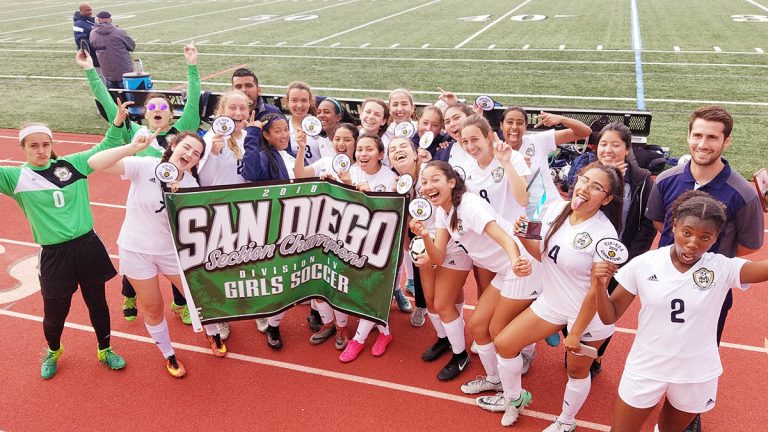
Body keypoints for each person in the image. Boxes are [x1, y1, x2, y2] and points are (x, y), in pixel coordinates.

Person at [595, 190, 768, 432]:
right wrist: (599, 286)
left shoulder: (721, 268)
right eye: (686, 232)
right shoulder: (645, 263)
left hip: (695, 372)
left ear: (716, 237)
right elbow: (609, 316)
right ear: (674, 225)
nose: (693, 243)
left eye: (705, 237)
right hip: (646, 366)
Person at [645, 105, 764, 431]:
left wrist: (711, 263)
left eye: (712, 137)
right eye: (697, 135)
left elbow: (749, 246)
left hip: (708, 294)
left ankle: (688, 412)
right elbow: (660, 223)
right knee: (657, 345)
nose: (703, 144)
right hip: (663, 284)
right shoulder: (667, 180)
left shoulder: (742, 193)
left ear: (726, 141)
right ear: (688, 136)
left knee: (696, 357)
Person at [492, 163, 624, 429]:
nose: (585, 188)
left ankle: (566, 421)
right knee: (504, 344)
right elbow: (541, 253)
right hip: (552, 303)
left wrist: (575, 333)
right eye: (584, 180)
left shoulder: (605, 235)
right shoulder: (556, 209)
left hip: (587, 314)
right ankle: (514, 399)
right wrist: (522, 233)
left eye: (596, 187)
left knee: (576, 371)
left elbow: (594, 291)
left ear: (607, 199)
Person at [87, 130, 227, 378]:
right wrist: (132, 148)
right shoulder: (145, 166)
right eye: (186, 147)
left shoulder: (190, 185)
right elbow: (95, 162)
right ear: (173, 146)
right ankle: (168, 354)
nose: (190, 154)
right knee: (153, 307)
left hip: (172, 252)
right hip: (136, 251)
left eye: (196, 153)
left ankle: (213, 333)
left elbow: (192, 228)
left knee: (200, 296)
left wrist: (176, 200)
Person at [77, 45, 201, 324]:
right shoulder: (136, 133)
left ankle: (181, 304)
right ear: (145, 113)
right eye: (152, 107)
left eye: (163, 108)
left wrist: (192, 67)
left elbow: (193, 101)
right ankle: (129, 294)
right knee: (139, 256)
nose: (157, 110)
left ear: (172, 115)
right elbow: (111, 108)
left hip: (173, 207)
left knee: (177, 255)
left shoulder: (181, 136)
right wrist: (90, 72)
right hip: (145, 207)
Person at [0, 114, 130, 379]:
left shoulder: (73, 164)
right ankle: (53, 350)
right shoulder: (15, 177)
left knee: (98, 303)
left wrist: (117, 124)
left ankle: (105, 349)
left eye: (45, 144)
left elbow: (104, 148)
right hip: (54, 255)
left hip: (88, 247)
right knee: (55, 312)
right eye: (33, 146)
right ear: (22, 148)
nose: (40, 150)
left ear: (51, 144)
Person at [410, 160, 533, 384]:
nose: (428, 186)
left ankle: (512, 385)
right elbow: (438, 258)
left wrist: (516, 261)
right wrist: (425, 236)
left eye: (435, 180)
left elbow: (506, 238)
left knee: (498, 331)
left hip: (520, 267)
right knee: (477, 325)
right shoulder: (443, 213)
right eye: (424, 182)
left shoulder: (469, 206)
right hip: (505, 272)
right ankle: (494, 379)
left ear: (451, 182)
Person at [578, 122, 656, 376]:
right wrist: (606, 180)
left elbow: (647, 226)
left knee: (604, 311)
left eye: (615, 145)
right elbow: (576, 205)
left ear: (627, 149)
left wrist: (627, 261)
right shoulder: (587, 172)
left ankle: (596, 354)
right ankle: (574, 342)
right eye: (603, 144)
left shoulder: (642, 180)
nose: (608, 150)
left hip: (617, 263)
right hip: (582, 255)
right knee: (577, 302)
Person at [337, 135, 399, 363]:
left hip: (381, 244)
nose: (363, 154)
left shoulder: (391, 178)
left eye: (369, 149)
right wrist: (339, 185)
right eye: (360, 149)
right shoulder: (351, 173)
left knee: (372, 290)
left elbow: (392, 213)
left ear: (381, 154)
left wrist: (370, 194)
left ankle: (358, 339)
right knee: (362, 290)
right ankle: (385, 332)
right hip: (355, 242)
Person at [89, 11, 136, 89]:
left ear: (98, 20)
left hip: (106, 72)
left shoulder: (93, 33)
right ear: (110, 20)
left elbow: (93, 47)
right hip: (124, 70)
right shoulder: (118, 32)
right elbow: (132, 46)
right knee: (128, 94)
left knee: (112, 94)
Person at [73, 3, 102, 82]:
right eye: (87, 10)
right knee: (99, 77)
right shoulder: (79, 23)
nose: (90, 12)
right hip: (92, 54)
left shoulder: (92, 20)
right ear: (81, 11)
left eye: (90, 10)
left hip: (99, 53)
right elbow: (81, 41)